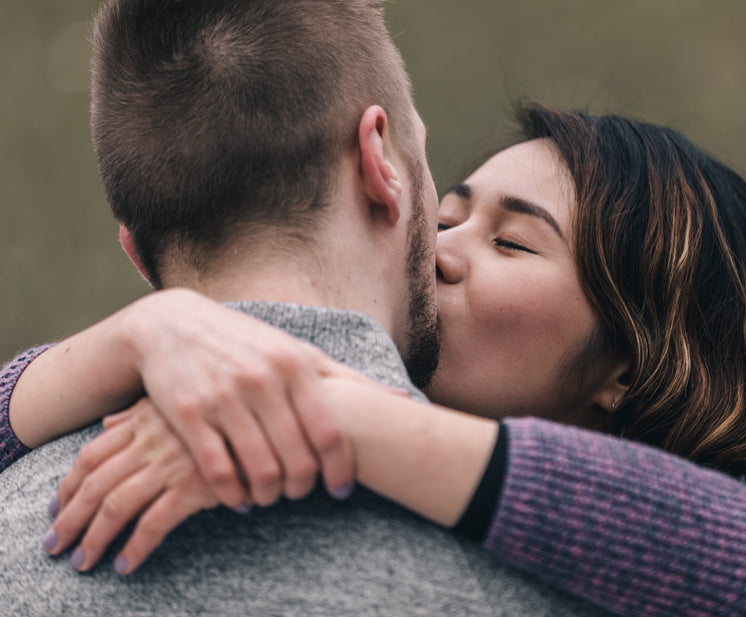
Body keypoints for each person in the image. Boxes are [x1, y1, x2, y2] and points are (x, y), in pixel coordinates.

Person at [0, 1, 623, 615]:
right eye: (445, 199)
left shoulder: (17, 513)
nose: (443, 244)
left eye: (511, 242)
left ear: (136, 251)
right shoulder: (579, 582)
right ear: (381, 162)